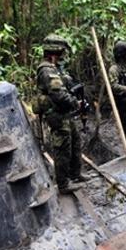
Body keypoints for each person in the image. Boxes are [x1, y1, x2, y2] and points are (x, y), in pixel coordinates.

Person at [34, 33, 87, 194]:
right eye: (62, 51)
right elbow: (58, 95)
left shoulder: (56, 69)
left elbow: (67, 86)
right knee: (63, 148)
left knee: (75, 142)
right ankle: (63, 184)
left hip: (65, 113)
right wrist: (75, 103)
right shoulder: (46, 70)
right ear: (55, 52)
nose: (64, 55)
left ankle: (75, 174)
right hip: (56, 114)